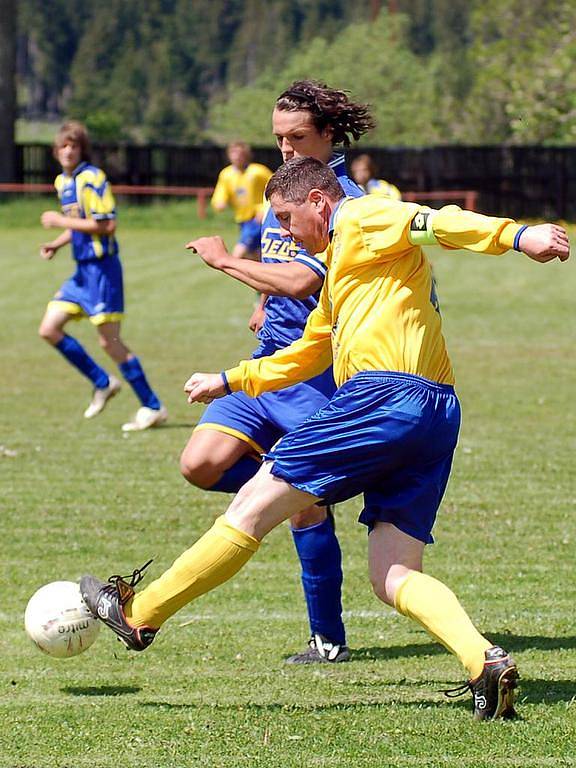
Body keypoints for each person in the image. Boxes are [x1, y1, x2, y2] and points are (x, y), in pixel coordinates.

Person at [81, 157, 570, 720]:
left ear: (319, 200)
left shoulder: (361, 216)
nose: (285, 234)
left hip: (383, 397)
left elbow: (435, 222)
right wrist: (231, 379)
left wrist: (520, 235)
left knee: (251, 509)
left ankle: (139, 614)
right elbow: (312, 350)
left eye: (288, 219)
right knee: (393, 575)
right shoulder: (340, 266)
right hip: (437, 412)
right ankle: (483, 660)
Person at [179, 81, 372, 664]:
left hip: (311, 373)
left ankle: (327, 639)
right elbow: (278, 260)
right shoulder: (283, 189)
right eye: (279, 139)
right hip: (265, 362)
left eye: (297, 138)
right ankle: (290, 487)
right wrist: (263, 301)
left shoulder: (348, 204)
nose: (285, 149)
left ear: (329, 136)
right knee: (199, 463)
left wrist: (225, 262)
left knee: (305, 504)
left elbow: (303, 280)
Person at [38, 121, 167, 432]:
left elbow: (106, 224)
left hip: (102, 270)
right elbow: (79, 223)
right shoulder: (63, 182)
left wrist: (57, 222)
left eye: (74, 146)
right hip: (81, 272)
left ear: (82, 150)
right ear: (56, 152)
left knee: (109, 342)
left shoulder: (92, 178)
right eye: (63, 146)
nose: (68, 151)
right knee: (49, 328)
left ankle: (152, 406)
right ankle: (102, 382)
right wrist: (58, 243)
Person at [210, 142, 273, 261]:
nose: (237, 156)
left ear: (246, 155)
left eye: (240, 154)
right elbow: (221, 192)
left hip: (257, 218)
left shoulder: (258, 171)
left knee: (239, 252)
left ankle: (228, 265)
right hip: (242, 219)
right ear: (229, 155)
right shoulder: (226, 174)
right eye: (233, 153)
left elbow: (276, 187)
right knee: (255, 255)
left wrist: (265, 209)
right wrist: (219, 202)